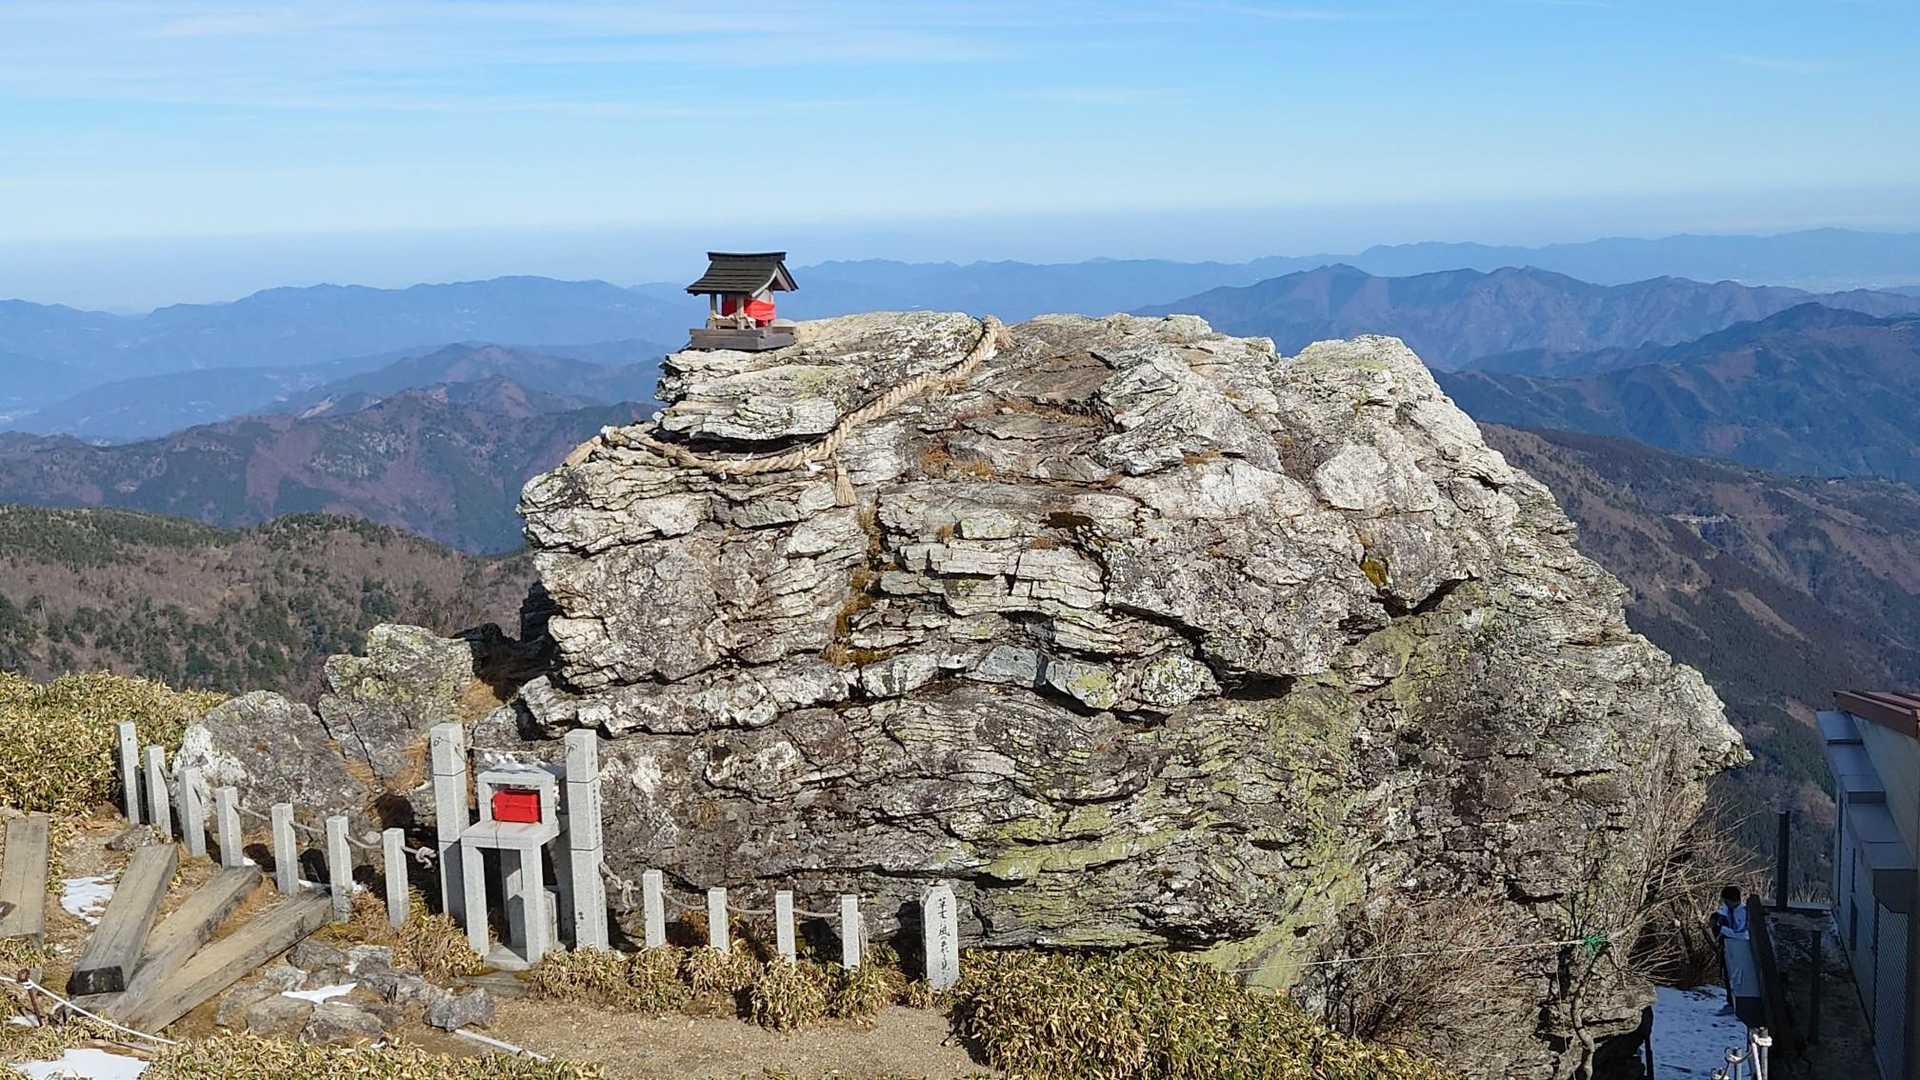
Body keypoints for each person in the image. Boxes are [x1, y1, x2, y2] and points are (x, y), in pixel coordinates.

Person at [1708, 885, 1750, 1014]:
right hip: (1728, 948)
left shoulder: (1744, 912)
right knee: (1728, 976)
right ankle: (1730, 1002)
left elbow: (1742, 934)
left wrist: (1722, 929)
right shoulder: (1727, 910)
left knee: (1739, 978)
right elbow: (1721, 913)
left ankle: (1742, 1005)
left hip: (1741, 949)